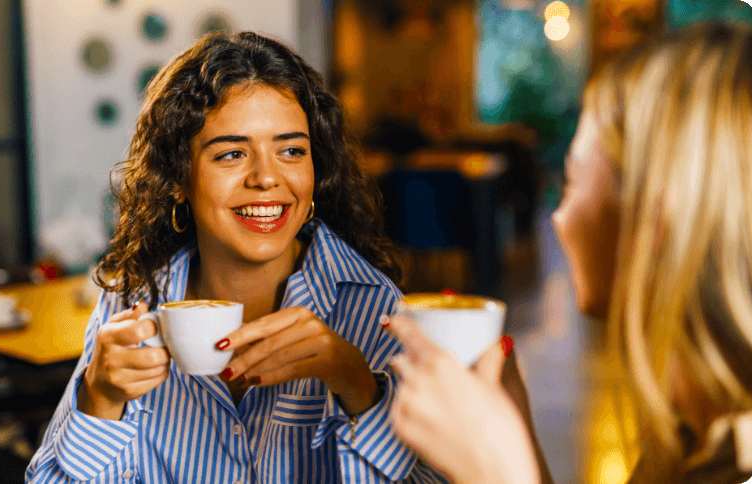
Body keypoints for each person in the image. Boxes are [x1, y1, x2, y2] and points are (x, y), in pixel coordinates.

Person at [26, 32, 446, 483]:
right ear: (177, 179)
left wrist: (354, 382)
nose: (267, 178)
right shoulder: (131, 304)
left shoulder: (372, 308)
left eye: (291, 151)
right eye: (231, 154)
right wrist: (99, 397)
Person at [385, 22, 752, 484]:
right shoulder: (695, 434)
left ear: (654, 219)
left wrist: (497, 471)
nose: (559, 219)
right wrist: (516, 440)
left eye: (573, 180)